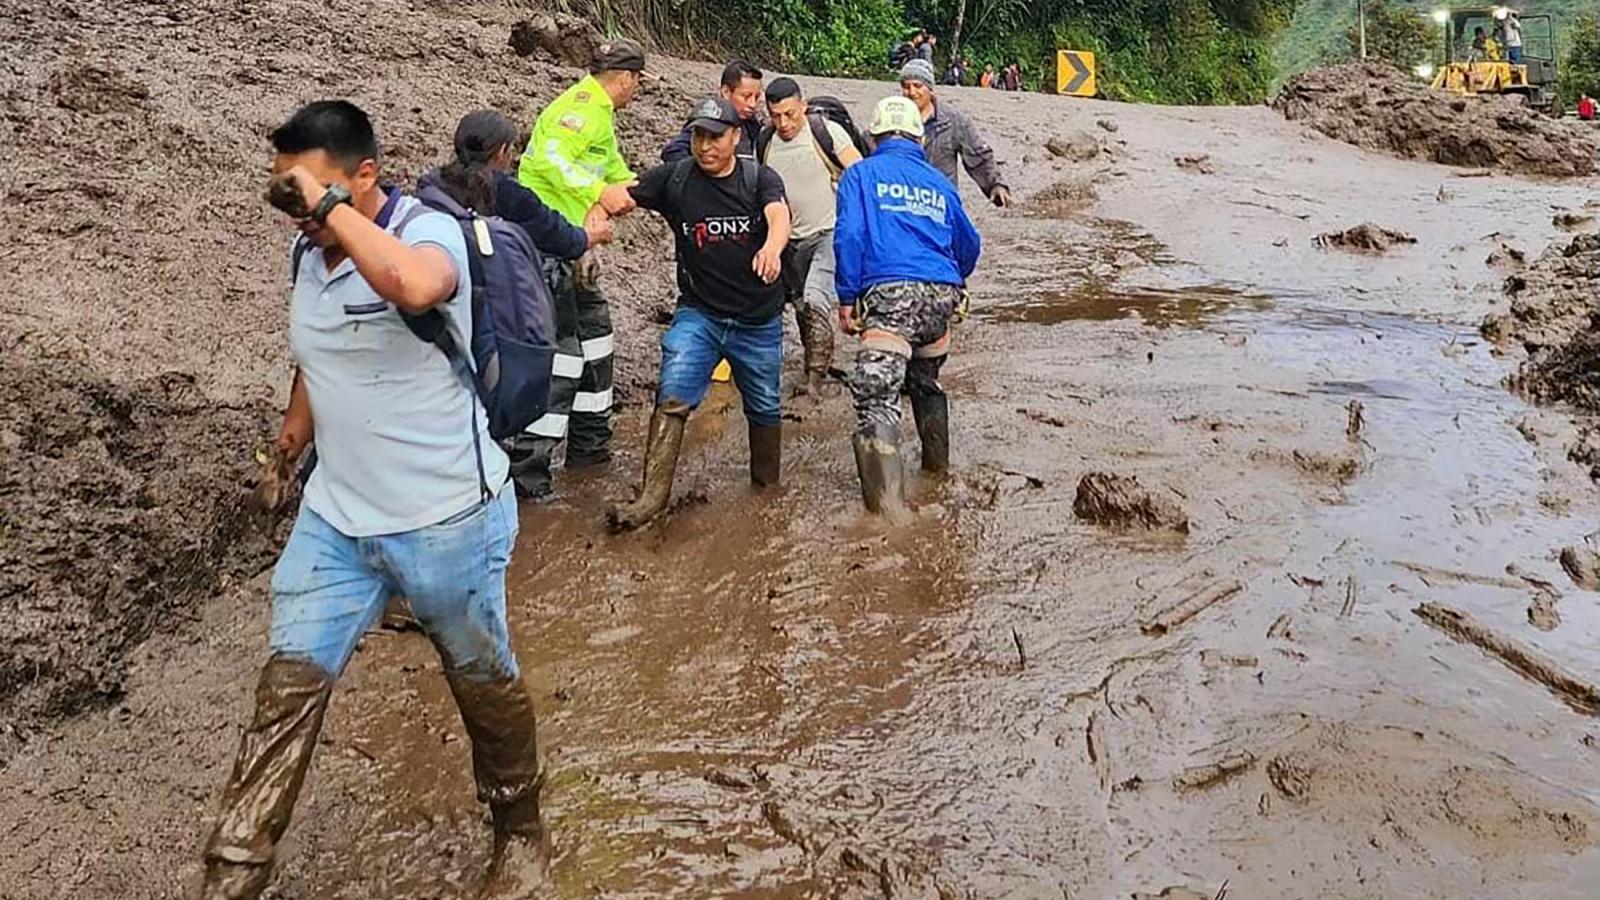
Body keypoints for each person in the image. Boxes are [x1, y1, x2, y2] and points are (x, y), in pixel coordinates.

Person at [201, 101, 546, 899]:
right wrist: (288, 445)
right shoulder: (307, 253)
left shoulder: (428, 232)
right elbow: (316, 358)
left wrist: (328, 212)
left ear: (366, 177)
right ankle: (235, 865)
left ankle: (521, 833)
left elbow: (414, 288)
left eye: (317, 189)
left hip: (446, 518)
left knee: (481, 681)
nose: (301, 207)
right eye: (287, 189)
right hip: (337, 520)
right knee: (285, 688)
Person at [608, 97, 792, 531]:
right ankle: (650, 499)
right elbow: (620, 196)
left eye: (714, 136)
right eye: (698, 135)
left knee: (764, 405)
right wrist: (587, 232)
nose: (705, 146)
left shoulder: (758, 177)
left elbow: (779, 215)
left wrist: (771, 246)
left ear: (735, 137)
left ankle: (766, 493)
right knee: (672, 394)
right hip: (700, 314)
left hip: (757, 318)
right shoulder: (675, 179)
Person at [834, 96, 979, 517]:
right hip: (941, 297)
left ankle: (890, 517)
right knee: (925, 382)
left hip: (891, 293)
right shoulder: (939, 183)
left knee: (876, 395)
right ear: (918, 137)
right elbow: (969, 244)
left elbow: (850, 236)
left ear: (874, 136)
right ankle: (937, 473)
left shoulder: (860, 174)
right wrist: (950, 277)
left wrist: (847, 296)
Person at [515, 39, 648, 497]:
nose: (636, 92)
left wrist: (644, 189)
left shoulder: (603, 118)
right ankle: (529, 475)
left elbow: (616, 174)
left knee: (597, 341)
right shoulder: (578, 107)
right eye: (637, 83)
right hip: (548, 249)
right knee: (562, 357)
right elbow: (550, 160)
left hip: (580, 250)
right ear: (628, 78)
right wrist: (597, 194)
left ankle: (590, 451)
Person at [760, 77, 863, 398]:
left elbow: (861, 175)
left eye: (790, 114)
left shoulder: (826, 132)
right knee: (802, 305)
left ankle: (814, 381)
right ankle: (815, 359)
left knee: (817, 296)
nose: (784, 123)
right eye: (776, 116)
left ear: (802, 105)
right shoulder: (765, 141)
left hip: (828, 232)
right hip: (788, 241)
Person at [898, 59, 1011, 207]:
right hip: (901, 201)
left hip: (941, 202)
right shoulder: (892, 118)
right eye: (906, 87)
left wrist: (996, 185)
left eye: (918, 86)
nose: (912, 92)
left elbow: (978, 156)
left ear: (930, 88)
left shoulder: (954, 120)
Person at [662, 60, 765, 162]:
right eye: (746, 97)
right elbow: (673, 151)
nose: (752, 104)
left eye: (756, 97)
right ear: (726, 92)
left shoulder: (752, 125)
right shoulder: (709, 120)